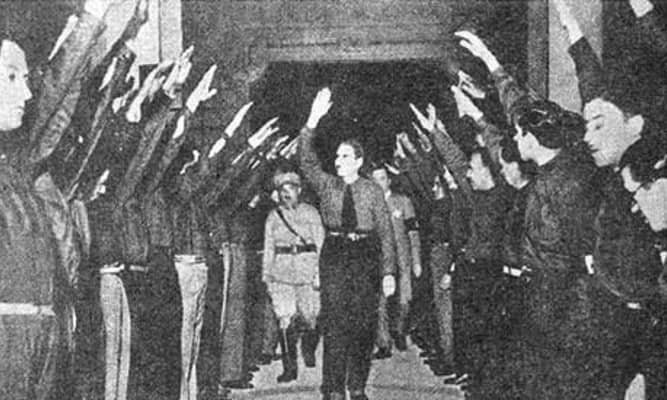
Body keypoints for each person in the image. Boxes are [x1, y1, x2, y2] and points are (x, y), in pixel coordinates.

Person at [299, 88, 396, 400]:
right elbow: (306, 161)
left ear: (359, 161)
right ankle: (332, 389)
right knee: (336, 324)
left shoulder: (372, 191)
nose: (337, 161)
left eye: (344, 157)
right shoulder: (327, 185)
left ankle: (356, 386)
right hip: (336, 255)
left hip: (365, 256)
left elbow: (386, 233)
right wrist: (312, 121)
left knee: (364, 325)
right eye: (337, 156)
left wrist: (389, 272)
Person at [262, 166, 324, 383]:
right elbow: (269, 247)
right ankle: (290, 368)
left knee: (311, 317)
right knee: (284, 318)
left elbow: (321, 244)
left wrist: (319, 273)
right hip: (282, 273)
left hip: (307, 271)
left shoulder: (311, 213)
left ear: (299, 190)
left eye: (291, 189)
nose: (287, 194)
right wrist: (266, 275)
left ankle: (308, 348)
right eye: (283, 190)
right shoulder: (273, 217)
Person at [369, 163, 422, 358]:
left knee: (405, 299)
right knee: (380, 302)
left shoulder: (403, 201)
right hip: (380, 258)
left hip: (402, 257)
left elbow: (413, 233)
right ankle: (383, 343)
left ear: (389, 180)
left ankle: (400, 330)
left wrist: (416, 260)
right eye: (375, 180)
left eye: (382, 178)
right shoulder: (369, 204)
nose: (379, 183)